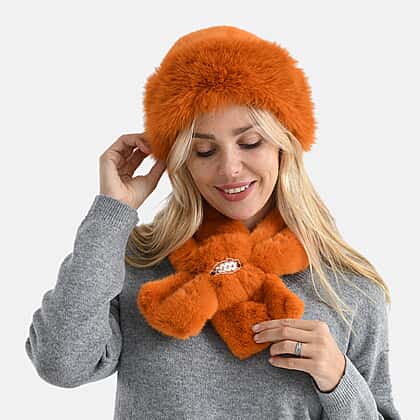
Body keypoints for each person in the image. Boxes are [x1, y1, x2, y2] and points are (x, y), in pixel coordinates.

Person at [25, 25, 402, 419]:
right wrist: (111, 214)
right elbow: (59, 364)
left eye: (250, 142)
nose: (230, 168)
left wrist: (340, 382)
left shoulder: (348, 288)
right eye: (204, 150)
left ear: (284, 144)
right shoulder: (134, 263)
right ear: (181, 161)